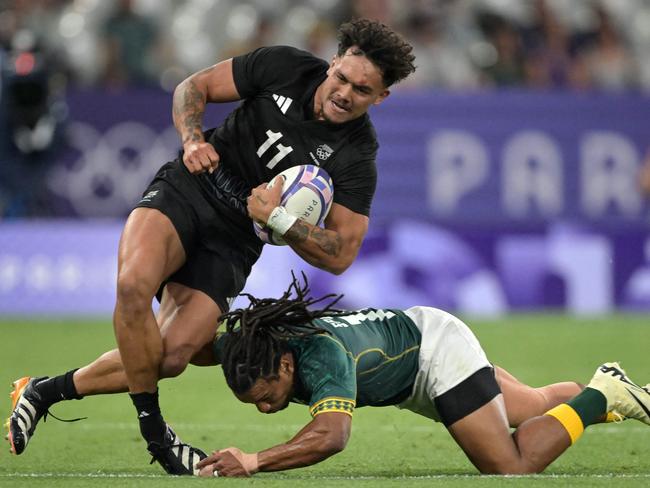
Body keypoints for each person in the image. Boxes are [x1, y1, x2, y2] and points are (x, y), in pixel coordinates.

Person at [5, 19, 417, 475]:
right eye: (342, 77)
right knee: (133, 285)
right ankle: (156, 434)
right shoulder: (283, 66)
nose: (345, 93)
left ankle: (42, 391)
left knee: (171, 355)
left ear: (381, 97)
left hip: (236, 236)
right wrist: (192, 138)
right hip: (191, 187)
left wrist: (278, 219)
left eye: (362, 90)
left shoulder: (358, 155)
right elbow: (192, 87)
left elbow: (341, 254)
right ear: (333, 62)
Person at [195, 275, 649, 477]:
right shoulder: (256, 345)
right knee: (531, 407)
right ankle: (614, 394)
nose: (264, 407)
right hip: (417, 342)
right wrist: (153, 359)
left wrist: (253, 460)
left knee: (509, 465)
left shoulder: (322, 357)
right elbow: (195, 348)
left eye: (267, 395)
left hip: (434, 356)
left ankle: (601, 393)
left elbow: (331, 436)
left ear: (287, 366)